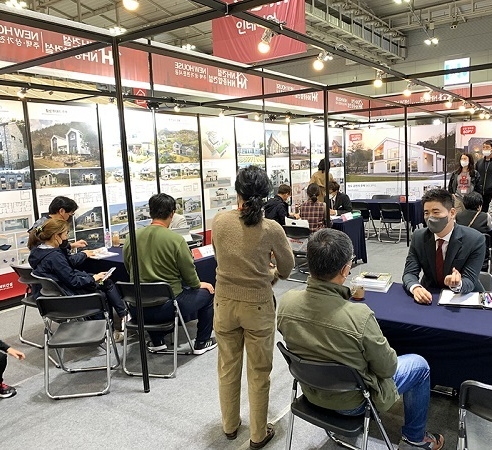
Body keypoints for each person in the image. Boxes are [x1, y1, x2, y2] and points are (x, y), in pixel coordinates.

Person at [277, 229, 444, 450]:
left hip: (311, 393)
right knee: (419, 365)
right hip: (353, 403)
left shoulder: (286, 302)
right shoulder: (359, 316)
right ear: (345, 269)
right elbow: (388, 368)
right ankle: (415, 437)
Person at [212, 166, 295, 449]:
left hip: (224, 303)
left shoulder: (219, 221)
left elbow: (221, 258)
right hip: (258, 306)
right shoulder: (271, 228)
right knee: (259, 372)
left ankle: (229, 425)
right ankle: (259, 434)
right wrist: (270, 273)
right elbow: (287, 267)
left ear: (238, 192)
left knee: (227, 366)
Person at [123, 193, 216, 354]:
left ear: (150, 212)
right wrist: (199, 284)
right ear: (172, 213)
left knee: (149, 294)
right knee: (208, 293)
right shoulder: (176, 240)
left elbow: (128, 267)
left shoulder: (131, 237)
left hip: (137, 308)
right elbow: (189, 274)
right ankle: (202, 342)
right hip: (168, 306)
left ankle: (157, 341)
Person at [28, 219, 128, 341]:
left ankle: (120, 318)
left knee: (104, 281)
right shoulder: (55, 257)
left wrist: (91, 276)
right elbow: (73, 281)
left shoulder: (37, 252)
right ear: (56, 236)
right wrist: (93, 278)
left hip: (55, 296)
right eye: (65, 234)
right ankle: (114, 325)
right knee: (105, 284)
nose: (66, 238)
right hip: (72, 297)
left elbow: (66, 273)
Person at [402, 188, 485, 304]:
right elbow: (409, 273)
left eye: (436, 212)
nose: (430, 217)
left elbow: (470, 279)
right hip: (430, 295)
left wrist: (457, 283)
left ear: (452, 213)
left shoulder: (475, 239)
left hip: (464, 297)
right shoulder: (419, 237)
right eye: (426, 213)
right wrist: (415, 287)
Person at [456, 192, 492, 272]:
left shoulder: (458, 216)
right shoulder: (485, 216)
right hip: (481, 253)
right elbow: (489, 228)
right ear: (479, 205)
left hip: (461, 253)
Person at [475, 139, 492, 209]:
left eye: (487, 147)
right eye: (484, 147)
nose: (485, 149)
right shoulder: (479, 162)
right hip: (479, 193)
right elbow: (475, 176)